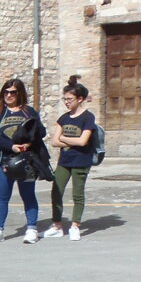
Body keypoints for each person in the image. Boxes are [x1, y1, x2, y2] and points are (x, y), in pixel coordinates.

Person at [0, 78, 47, 244]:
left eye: (13, 92)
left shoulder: (29, 112)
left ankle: (32, 229)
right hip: (3, 160)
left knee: (28, 194)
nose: (9, 95)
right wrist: (11, 146)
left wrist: (29, 143)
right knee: (3, 195)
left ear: (20, 93)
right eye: (6, 92)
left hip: (25, 160)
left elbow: (41, 132)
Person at [46, 75, 97, 241]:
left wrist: (64, 138)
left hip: (81, 161)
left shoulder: (88, 117)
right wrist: (69, 140)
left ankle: (75, 226)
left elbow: (83, 141)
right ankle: (57, 225)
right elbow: (54, 142)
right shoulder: (64, 118)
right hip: (65, 161)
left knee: (77, 194)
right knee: (56, 191)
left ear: (80, 99)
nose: (66, 102)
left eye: (69, 99)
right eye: (65, 99)